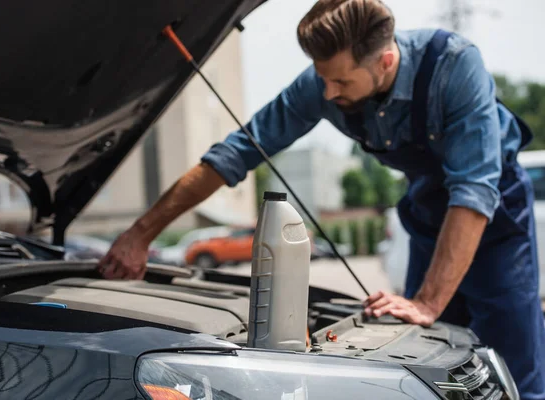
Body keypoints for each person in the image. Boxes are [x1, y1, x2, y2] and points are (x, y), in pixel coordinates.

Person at [98, 0, 545, 397]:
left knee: (513, 366)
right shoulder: (323, 81)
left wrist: (427, 301)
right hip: (428, 217)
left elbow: (473, 191)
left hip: (497, 222)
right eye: (322, 79)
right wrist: (139, 235)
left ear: (386, 61)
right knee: (430, 363)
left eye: (341, 82)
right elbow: (233, 155)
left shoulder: (454, 66)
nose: (328, 94)